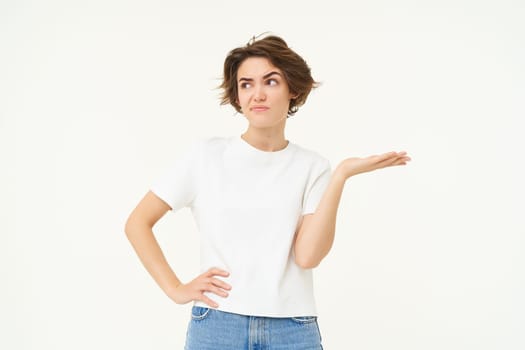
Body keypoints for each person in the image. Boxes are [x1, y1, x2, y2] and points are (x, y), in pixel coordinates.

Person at [124, 34, 411, 350]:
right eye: (246, 84)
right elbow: (138, 223)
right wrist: (176, 288)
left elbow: (307, 256)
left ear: (294, 90)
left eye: (270, 82)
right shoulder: (205, 157)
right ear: (236, 96)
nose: (256, 94)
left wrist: (340, 175)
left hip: (293, 328)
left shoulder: (313, 167)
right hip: (219, 325)